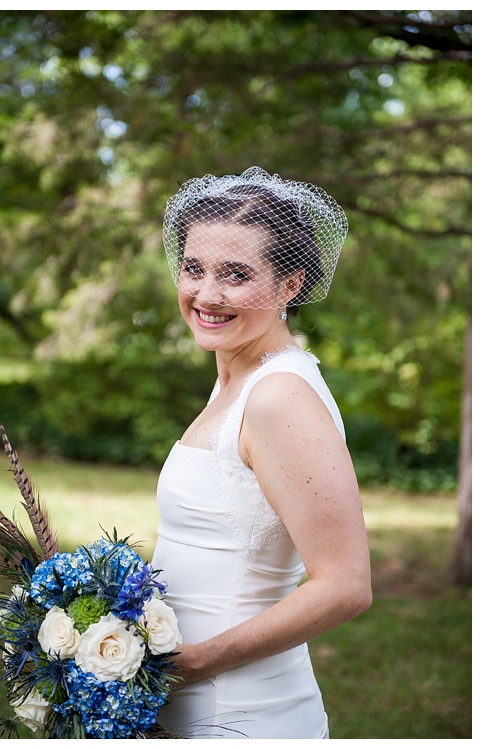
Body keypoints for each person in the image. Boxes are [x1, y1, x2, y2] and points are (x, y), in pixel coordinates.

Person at [150, 167, 371, 738]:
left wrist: (191, 664)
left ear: (290, 286)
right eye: (194, 268)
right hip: (190, 703)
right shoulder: (238, 376)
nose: (206, 294)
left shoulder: (278, 396)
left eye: (236, 275)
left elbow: (344, 585)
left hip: (240, 715)